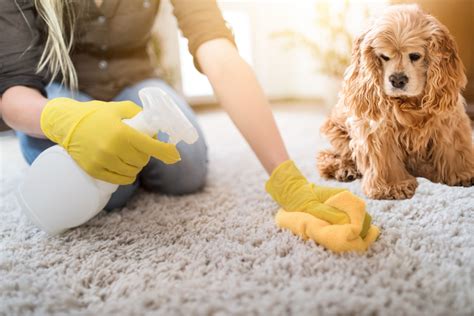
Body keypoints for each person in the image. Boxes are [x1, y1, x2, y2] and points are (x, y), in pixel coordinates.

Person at [0, 0, 374, 250]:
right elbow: (13, 88)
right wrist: (63, 119)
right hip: (63, 86)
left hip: (135, 77)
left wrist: (285, 175)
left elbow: (217, 50)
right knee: (113, 189)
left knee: (186, 170)